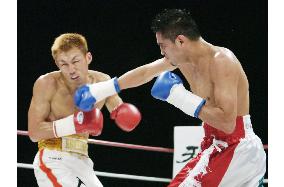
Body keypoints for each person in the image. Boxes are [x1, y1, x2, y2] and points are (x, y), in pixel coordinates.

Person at [73, 9, 266, 187]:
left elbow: (227, 124)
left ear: (181, 41)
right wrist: (101, 90)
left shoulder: (222, 61)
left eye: (162, 45)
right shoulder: (182, 59)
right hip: (214, 145)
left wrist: (178, 96)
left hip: (237, 147)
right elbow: (146, 72)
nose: (161, 52)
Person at [28, 33, 141, 187]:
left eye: (76, 61)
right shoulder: (47, 83)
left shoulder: (102, 81)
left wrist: (122, 112)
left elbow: (118, 107)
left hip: (82, 161)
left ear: (88, 58)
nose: (71, 69)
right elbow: (34, 132)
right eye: (64, 64)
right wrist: (76, 123)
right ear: (57, 64)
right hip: (53, 158)